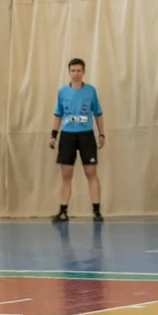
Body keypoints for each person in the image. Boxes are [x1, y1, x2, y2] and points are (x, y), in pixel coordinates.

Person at [49, 58, 105, 223]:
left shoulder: (90, 91)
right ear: (69, 72)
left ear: (84, 72)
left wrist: (102, 134)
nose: (76, 74)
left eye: (79, 70)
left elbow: (98, 114)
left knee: (91, 173)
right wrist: (53, 135)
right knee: (66, 175)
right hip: (67, 135)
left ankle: (96, 211)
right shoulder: (62, 92)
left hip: (86, 135)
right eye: (73, 70)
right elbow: (57, 114)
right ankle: (63, 211)